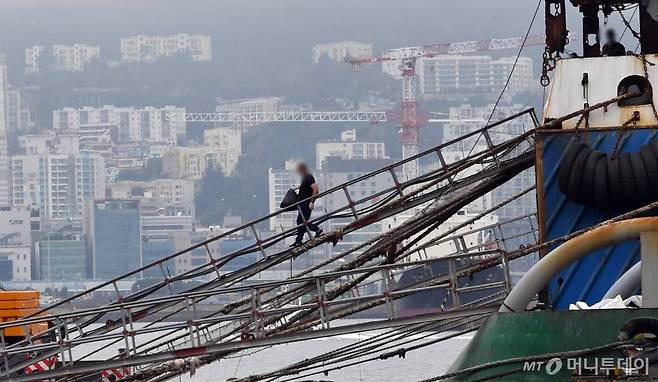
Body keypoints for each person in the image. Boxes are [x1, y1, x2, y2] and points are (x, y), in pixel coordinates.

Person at [292, 163, 323, 247]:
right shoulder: (306, 178)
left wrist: (312, 202)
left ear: (303, 169)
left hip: (306, 204)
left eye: (299, 170)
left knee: (302, 222)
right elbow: (308, 189)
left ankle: (317, 230)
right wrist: (299, 187)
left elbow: (315, 189)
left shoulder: (309, 177)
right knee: (301, 222)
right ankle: (299, 239)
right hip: (303, 204)